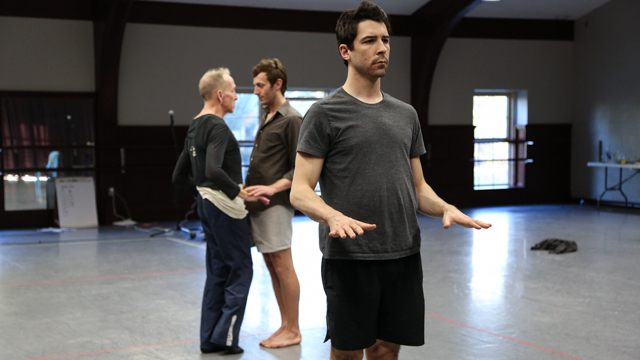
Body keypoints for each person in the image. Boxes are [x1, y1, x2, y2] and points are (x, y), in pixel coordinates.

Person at [289, 2, 492, 360]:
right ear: (346, 51)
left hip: (402, 254)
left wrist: (445, 208)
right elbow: (300, 191)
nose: (382, 48)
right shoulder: (324, 114)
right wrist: (332, 216)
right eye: (369, 41)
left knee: (385, 351)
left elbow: (418, 188)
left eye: (385, 40)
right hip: (350, 258)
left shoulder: (405, 114)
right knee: (348, 353)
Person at [172, 67, 268, 355]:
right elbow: (214, 169)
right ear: (219, 94)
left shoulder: (194, 126)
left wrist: (203, 194)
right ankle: (225, 338)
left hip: (206, 205)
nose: (237, 96)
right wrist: (236, 191)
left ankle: (208, 338)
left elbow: (179, 177)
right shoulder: (217, 127)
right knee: (241, 270)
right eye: (234, 90)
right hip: (225, 209)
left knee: (217, 272)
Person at [244, 58, 303, 348]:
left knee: (284, 266)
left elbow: (300, 169)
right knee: (272, 265)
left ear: (277, 84)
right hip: (258, 206)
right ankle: (285, 325)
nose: (256, 92)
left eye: (260, 85)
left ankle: (294, 329)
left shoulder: (291, 119)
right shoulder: (268, 115)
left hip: (276, 204)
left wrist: (270, 187)